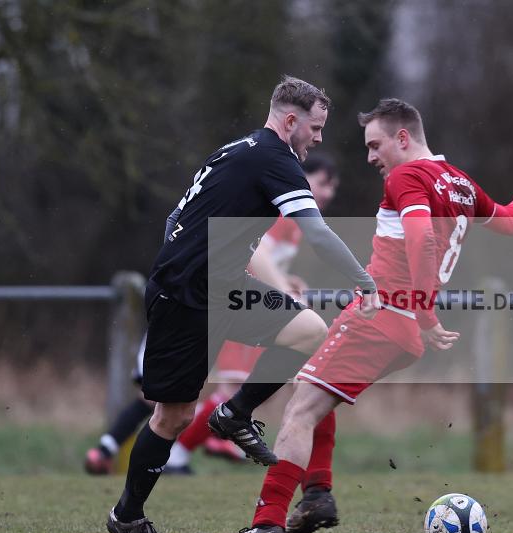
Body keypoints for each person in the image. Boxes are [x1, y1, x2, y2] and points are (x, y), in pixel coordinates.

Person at [204, 98, 513, 533]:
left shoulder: (409, 175)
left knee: (299, 411)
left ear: (402, 138)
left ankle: (268, 523)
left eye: (375, 145)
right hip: (400, 330)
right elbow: (509, 221)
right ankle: (317, 495)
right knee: (311, 392)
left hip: (381, 316)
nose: (370, 157)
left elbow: (422, 237)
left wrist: (425, 311)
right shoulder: (459, 182)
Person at [105, 76, 379, 533]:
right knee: (173, 416)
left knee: (310, 329)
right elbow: (317, 234)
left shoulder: (237, 149)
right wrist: (365, 283)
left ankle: (234, 413)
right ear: (290, 121)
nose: (318, 138)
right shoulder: (274, 158)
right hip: (186, 294)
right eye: (315, 128)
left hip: (224, 288)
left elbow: (177, 218)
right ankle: (127, 518)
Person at [85, 155, 341, 475]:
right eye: (322, 183)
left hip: (242, 303)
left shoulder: (296, 223)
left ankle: (179, 449)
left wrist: (284, 282)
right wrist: (281, 291)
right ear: (302, 180)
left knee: (202, 397)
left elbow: (256, 258)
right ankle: (177, 451)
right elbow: (255, 256)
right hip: (233, 304)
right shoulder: (285, 213)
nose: (328, 192)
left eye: (333, 186)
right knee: (208, 395)